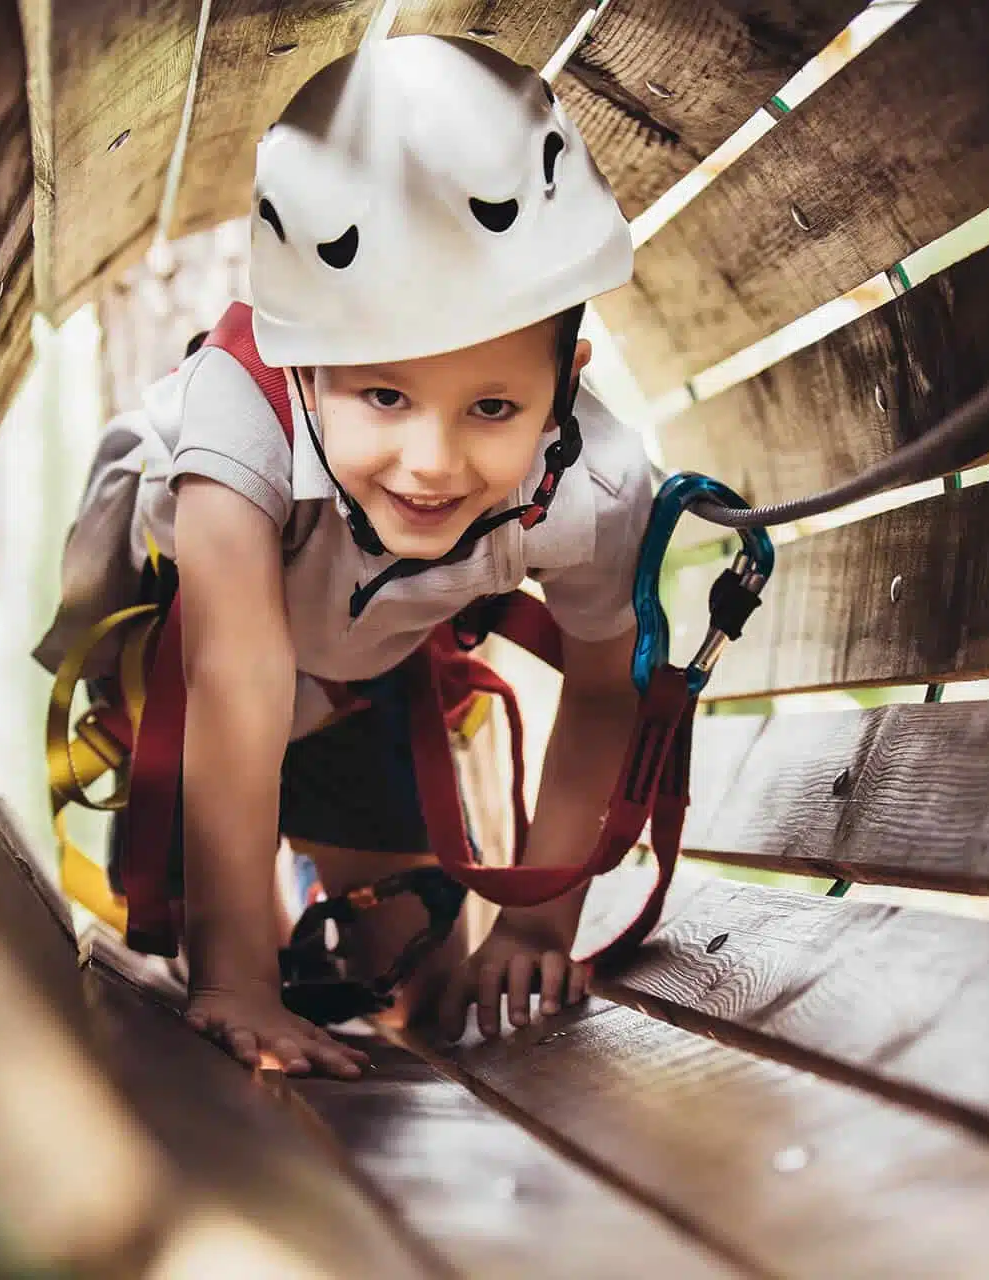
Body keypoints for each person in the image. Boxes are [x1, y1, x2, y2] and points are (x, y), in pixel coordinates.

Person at [36, 35, 650, 1078]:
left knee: (420, 988)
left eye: (493, 406)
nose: (432, 459)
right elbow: (235, 682)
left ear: (568, 375)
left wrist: (538, 919)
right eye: (384, 396)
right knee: (238, 991)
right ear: (304, 366)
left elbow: (603, 690)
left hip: (365, 681)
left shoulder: (593, 484)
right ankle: (258, 938)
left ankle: (335, 940)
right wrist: (238, 981)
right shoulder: (238, 431)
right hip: (190, 671)